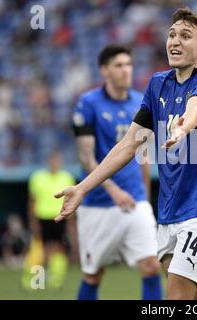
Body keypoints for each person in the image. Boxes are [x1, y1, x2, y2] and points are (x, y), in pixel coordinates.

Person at [54, 8, 197, 300]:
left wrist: (182, 128)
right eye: (172, 34)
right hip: (170, 210)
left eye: (185, 36)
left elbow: (196, 107)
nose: (174, 41)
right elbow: (128, 145)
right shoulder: (157, 84)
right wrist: (82, 188)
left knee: (175, 297)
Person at [72, 45, 162, 300]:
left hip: (135, 201)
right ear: (104, 70)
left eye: (129, 64)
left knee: (152, 265)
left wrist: (145, 198)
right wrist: (113, 190)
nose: (126, 70)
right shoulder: (88, 103)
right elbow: (86, 157)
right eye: (119, 65)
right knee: (93, 274)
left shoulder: (140, 102)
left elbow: (143, 156)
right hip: (98, 204)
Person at [24, 152, 75, 290]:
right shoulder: (37, 178)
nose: (55, 163)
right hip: (42, 217)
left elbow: (71, 201)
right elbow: (32, 200)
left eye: (57, 161)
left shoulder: (67, 177)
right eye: (53, 161)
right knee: (40, 249)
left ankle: (55, 279)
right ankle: (34, 280)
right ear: (48, 162)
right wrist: (33, 221)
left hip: (60, 218)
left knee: (59, 248)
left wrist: (71, 222)